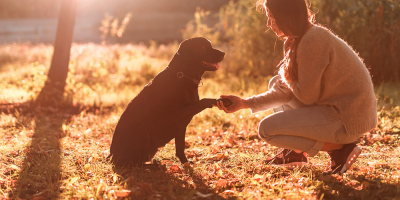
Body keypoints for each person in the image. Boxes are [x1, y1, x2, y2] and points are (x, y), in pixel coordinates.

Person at [216, 0, 377, 174]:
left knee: (267, 130)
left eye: (271, 17)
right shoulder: (304, 37)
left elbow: (306, 96)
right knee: (275, 83)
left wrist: (287, 66)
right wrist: (243, 103)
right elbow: (287, 91)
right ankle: (296, 154)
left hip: (347, 121)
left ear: (285, 15)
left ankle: (339, 149)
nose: (268, 24)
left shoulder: (313, 40)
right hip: (338, 112)